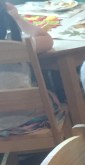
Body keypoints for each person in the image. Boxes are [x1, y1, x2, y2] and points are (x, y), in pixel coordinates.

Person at [0, 0, 59, 136]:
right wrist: (17, 18)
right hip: (27, 120)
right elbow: (47, 39)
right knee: (56, 95)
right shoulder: (18, 43)